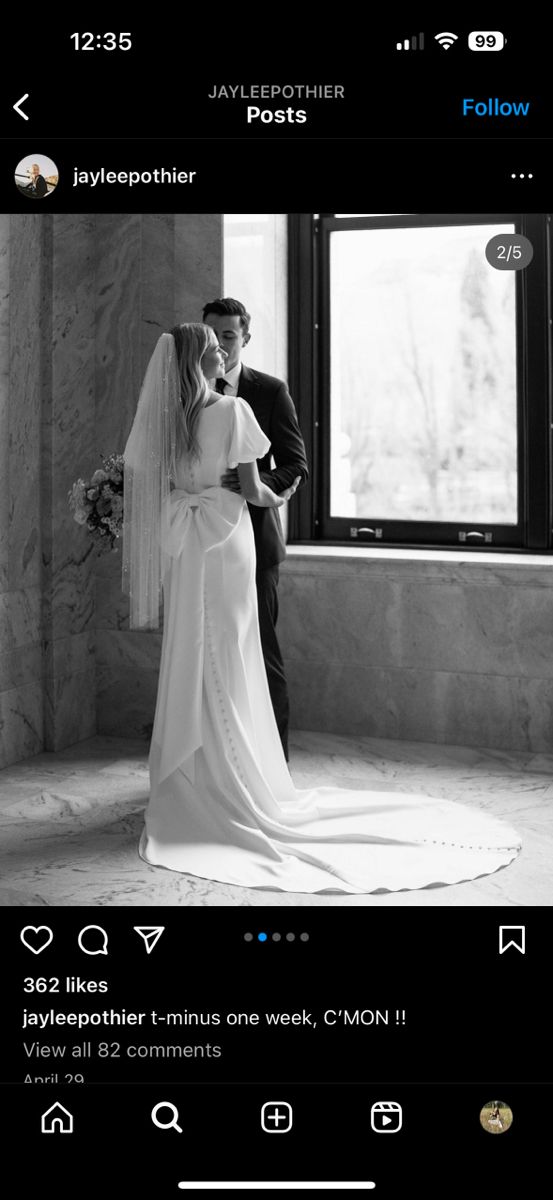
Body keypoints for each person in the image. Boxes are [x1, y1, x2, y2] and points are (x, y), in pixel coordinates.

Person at [122, 323, 521, 894]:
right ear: (201, 360)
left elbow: (153, 485)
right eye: (214, 347)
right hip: (228, 542)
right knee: (233, 655)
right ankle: (234, 779)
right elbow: (257, 492)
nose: (222, 352)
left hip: (188, 550)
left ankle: (191, 778)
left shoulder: (169, 420)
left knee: (191, 646)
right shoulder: (231, 411)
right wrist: (279, 495)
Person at [202, 297, 308, 761]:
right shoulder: (186, 395)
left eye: (229, 335)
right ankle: (216, 767)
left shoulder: (268, 391)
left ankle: (272, 768)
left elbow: (295, 465)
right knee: (209, 654)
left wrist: (253, 484)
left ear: (246, 337)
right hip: (202, 543)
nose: (221, 346)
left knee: (261, 653)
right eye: (212, 335)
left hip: (255, 542)